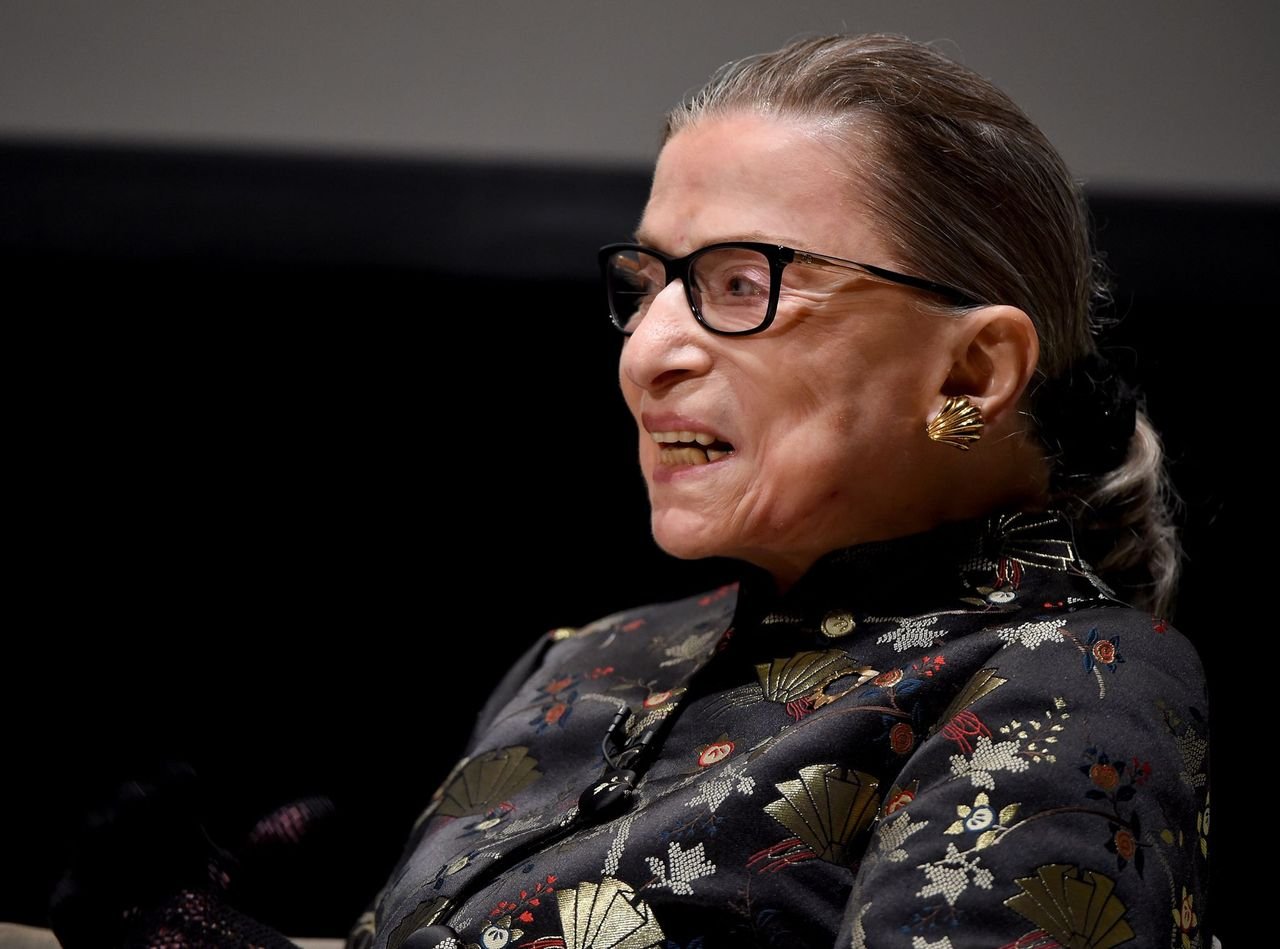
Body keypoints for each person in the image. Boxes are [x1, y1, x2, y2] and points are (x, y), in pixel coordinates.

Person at [49, 32, 1211, 949]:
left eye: (741, 282)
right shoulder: (581, 664)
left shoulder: (1070, 672)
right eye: (646, 283)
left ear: (970, 368)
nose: (649, 349)